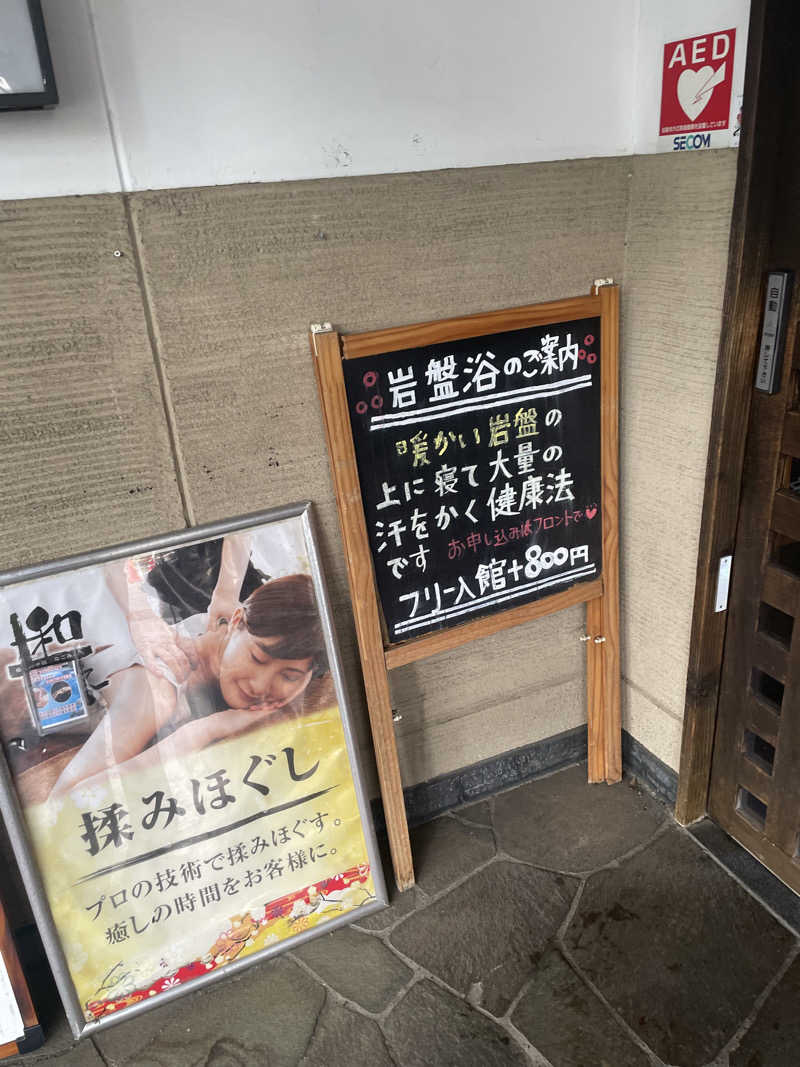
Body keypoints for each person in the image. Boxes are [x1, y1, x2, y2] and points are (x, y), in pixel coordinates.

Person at [50, 574, 328, 798]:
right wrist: (202, 731)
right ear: (235, 621)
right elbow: (64, 800)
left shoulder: (212, 635)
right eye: (257, 658)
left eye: (289, 676)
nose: (260, 685)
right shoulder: (158, 688)